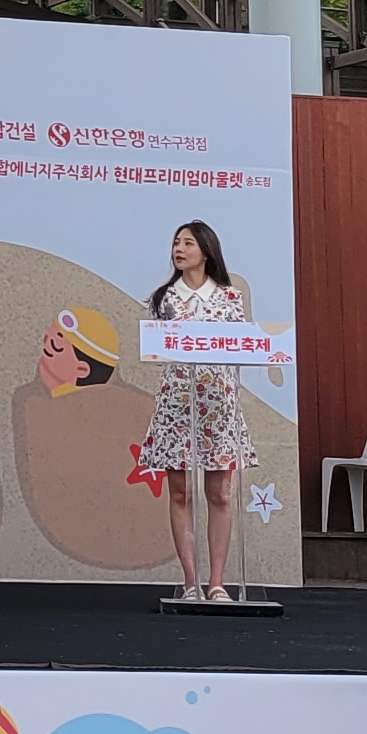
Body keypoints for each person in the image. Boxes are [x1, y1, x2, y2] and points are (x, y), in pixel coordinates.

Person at [140, 220, 256, 600]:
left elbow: (240, 345)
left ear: (206, 250)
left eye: (188, 243)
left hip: (219, 406)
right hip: (177, 404)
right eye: (177, 243)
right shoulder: (164, 298)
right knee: (180, 494)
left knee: (220, 494)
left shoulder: (230, 297)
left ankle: (217, 582)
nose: (180, 249)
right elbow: (159, 348)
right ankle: (191, 582)